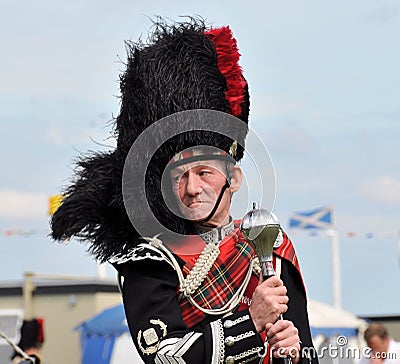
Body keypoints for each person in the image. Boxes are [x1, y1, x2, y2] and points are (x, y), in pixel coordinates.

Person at [51, 18, 317, 364]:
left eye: (204, 172)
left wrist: (293, 355)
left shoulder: (272, 245)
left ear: (233, 179)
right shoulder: (151, 261)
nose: (192, 188)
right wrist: (251, 323)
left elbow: (306, 346)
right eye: (179, 175)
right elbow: (162, 356)